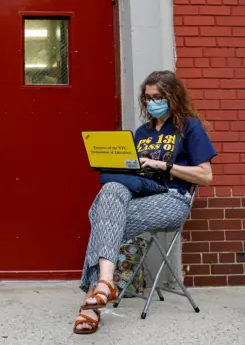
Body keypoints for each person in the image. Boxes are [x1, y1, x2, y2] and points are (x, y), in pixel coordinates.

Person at [73, 70, 218, 334]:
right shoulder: (142, 132)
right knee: (113, 187)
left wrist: (163, 164)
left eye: (159, 97)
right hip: (141, 193)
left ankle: (91, 304)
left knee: (103, 219)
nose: (152, 103)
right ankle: (105, 285)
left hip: (172, 200)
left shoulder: (189, 127)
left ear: (173, 97)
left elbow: (206, 176)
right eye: (148, 98)